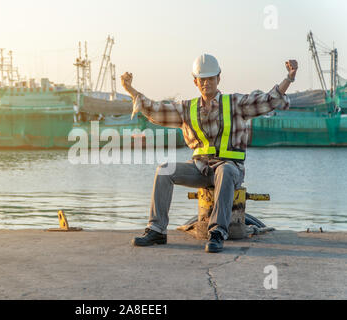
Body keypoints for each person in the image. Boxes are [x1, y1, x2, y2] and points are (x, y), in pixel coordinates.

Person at [121, 54, 298, 253]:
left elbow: (268, 100)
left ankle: (217, 233)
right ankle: (157, 230)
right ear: (195, 81)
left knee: (225, 171)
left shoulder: (236, 104)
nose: (206, 83)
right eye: (202, 79)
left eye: (211, 78)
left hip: (230, 168)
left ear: (218, 79)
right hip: (200, 169)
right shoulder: (187, 109)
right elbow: (156, 110)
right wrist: (130, 90)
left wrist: (289, 78)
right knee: (164, 171)